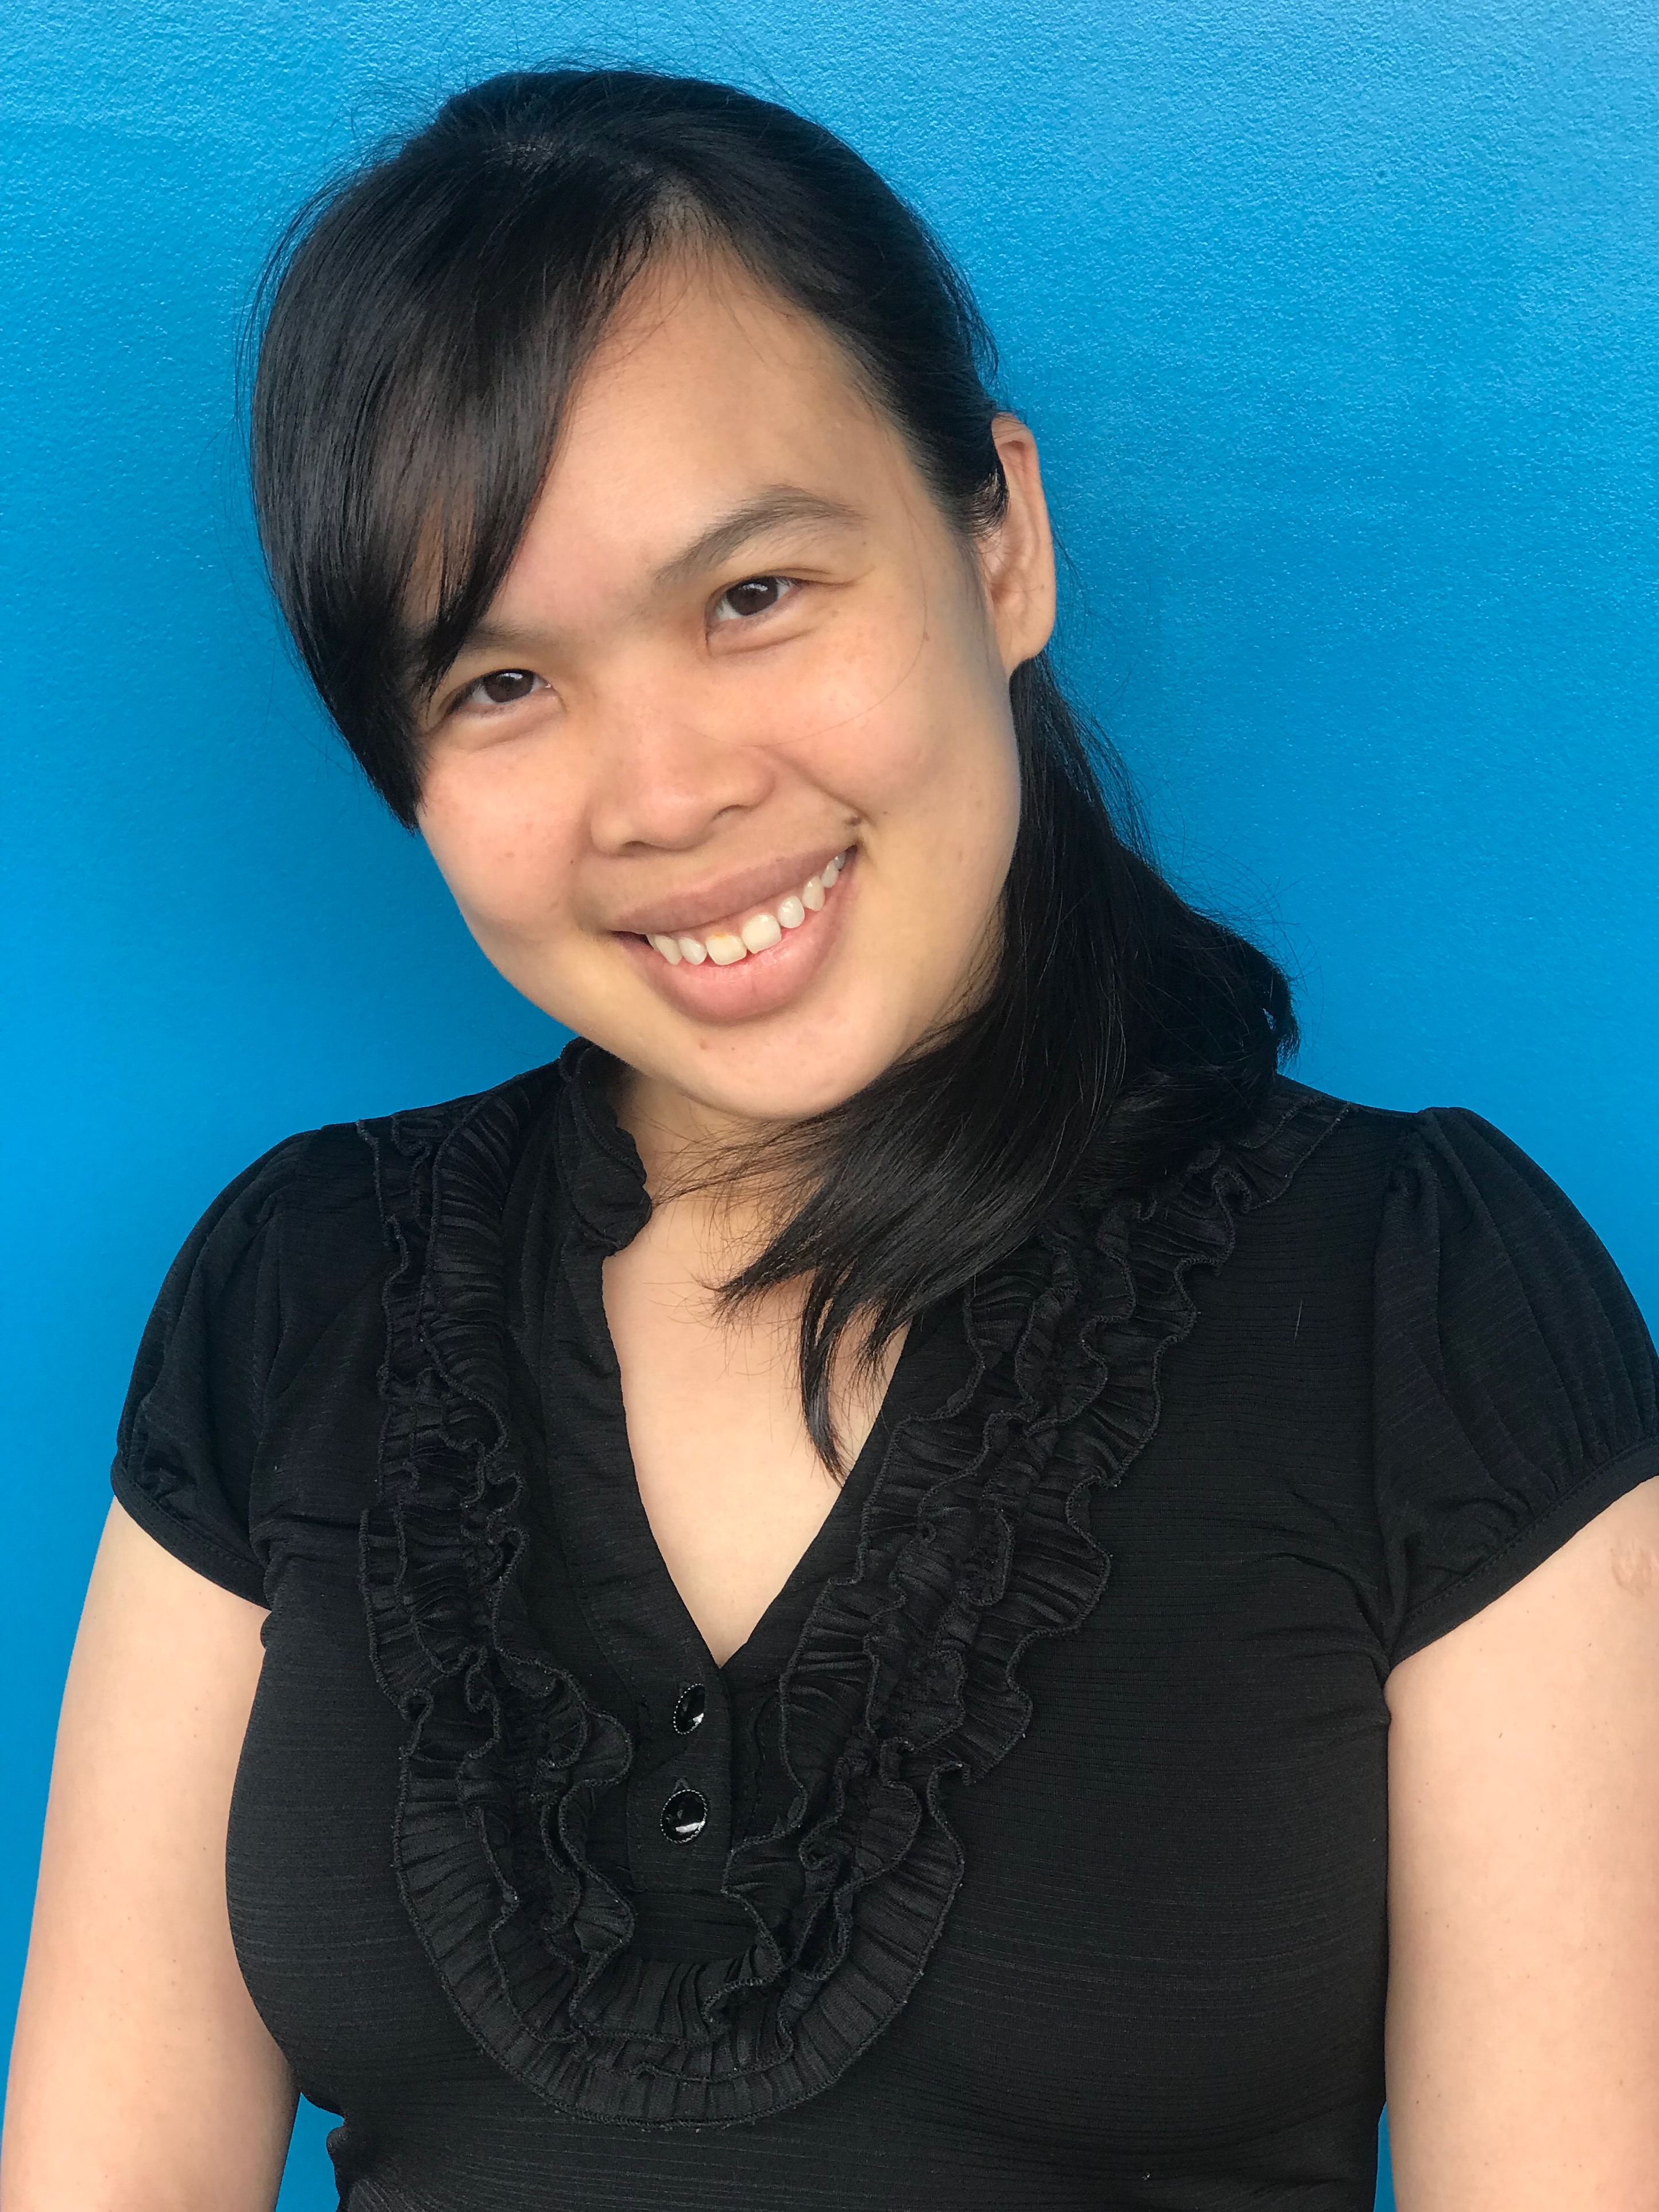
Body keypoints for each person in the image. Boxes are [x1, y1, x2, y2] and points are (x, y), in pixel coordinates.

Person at [3, 64, 1657, 2212]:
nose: (666, 791)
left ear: (1004, 540)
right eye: (499, 683)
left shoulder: (1418, 1298)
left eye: (755, 593)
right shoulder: (295, 1295)